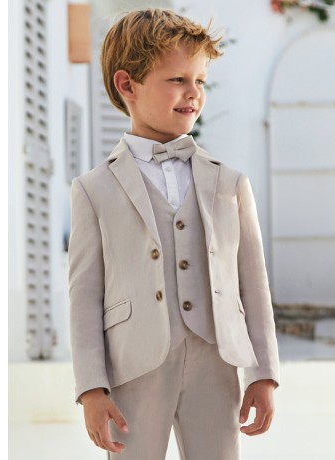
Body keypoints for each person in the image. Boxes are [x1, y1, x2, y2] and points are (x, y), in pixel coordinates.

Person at [68, 8, 280, 460]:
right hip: (133, 364)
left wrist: (263, 373)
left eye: (199, 80)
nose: (193, 93)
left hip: (216, 360)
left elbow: (253, 285)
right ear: (127, 85)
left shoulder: (229, 183)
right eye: (178, 79)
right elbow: (84, 296)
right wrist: (91, 388)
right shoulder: (93, 189)